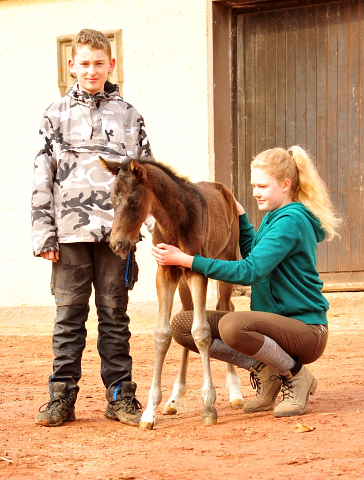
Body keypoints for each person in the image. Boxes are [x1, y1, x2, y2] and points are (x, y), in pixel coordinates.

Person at [151, 146, 340, 417]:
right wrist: (240, 218)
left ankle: (296, 375)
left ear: (286, 185)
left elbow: (250, 271)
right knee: (184, 324)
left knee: (231, 325)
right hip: (277, 326)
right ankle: (269, 374)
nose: (255, 192)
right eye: (253, 186)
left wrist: (188, 260)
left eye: (262, 186)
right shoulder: (275, 218)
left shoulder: (291, 220)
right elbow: (256, 255)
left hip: (306, 330)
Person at [31, 29, 153, 427]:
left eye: (99, 63)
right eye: (84, 63)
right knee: (68, 317)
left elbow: (147, 176)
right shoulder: (55, 114)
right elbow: (41, 177)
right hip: (68, 235)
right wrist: (44, 233)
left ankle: (121, 397)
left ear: (111, 65)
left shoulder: (130, 115)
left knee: (115, 315)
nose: (92, 70)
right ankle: (60, 398)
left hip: (117, 237)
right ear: (72, 66)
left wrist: (146, 228)